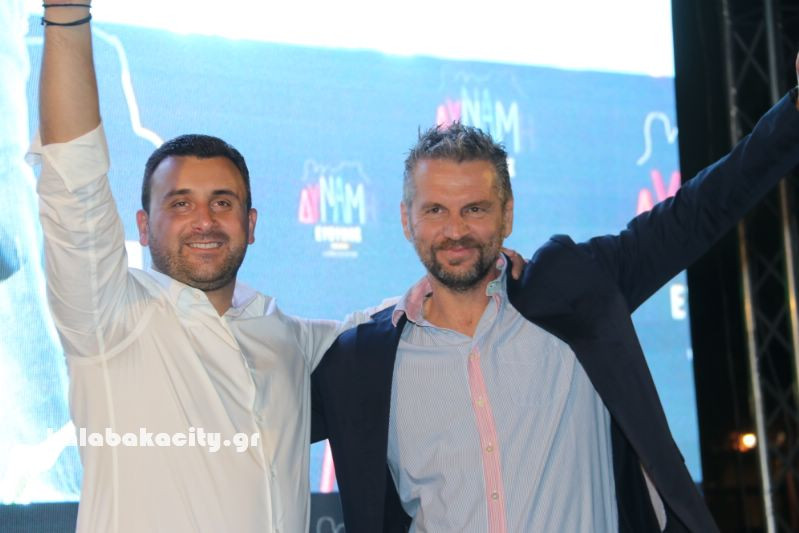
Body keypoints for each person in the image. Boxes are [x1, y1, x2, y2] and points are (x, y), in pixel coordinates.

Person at [311, 56, 799, 531]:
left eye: (475, 209)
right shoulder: (365, 359)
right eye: (436, 210)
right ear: (406, 220)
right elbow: (269, 398)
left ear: (507, 214)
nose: (455, 230)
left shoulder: (574, 293)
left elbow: (695, 214)